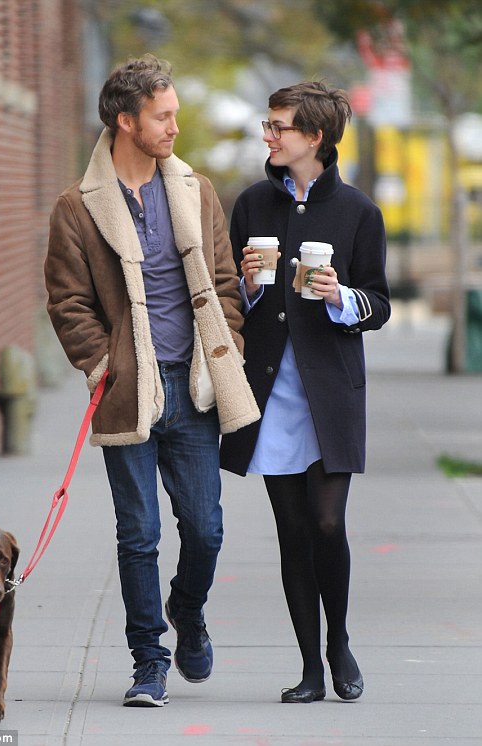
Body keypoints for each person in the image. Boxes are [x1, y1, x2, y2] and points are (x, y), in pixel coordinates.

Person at [44, 54, 259, 708]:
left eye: (174, 115)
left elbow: (222, 283)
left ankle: (186, 612)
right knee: (138, 534)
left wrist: (228, 348)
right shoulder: (77, 208)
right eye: (162, 116)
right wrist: (99, 362)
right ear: (125, 120)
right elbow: (66, 300)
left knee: (206, 529)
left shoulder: (195, 191)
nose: (173, 127)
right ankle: (148, 662)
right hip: (128, 389)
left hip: (192, 389)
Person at [220, 81, 390, 704]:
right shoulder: (250, 206)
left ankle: (339, 641)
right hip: (270, 396)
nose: (269, 135)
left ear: (313, 137)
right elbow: (231, 304)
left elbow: (380, 305)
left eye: (279, 126)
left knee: (327, 521)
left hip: (332, 395)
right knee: (292, 533)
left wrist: (338, 296)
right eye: (268, 125)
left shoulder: (358, 213)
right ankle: (310, 669)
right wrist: (251, 285)